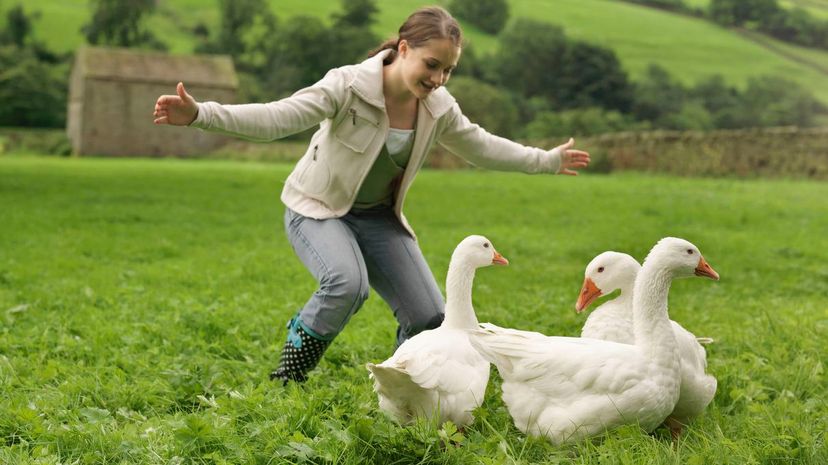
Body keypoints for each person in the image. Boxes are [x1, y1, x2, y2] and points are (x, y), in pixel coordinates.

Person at [153, 6, 590, 384]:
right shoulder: (347, 86)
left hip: (379, 218)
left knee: (430, 317)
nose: (438, 79)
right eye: (431, 64)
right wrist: (200, 114)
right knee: (346, 283)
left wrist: (546, 160)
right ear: (403, 49)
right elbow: (278, 117)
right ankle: (289, 374)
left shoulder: (438, 108)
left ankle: (405, 386)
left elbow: (481, 146)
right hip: (318, 210)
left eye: (448, 70)